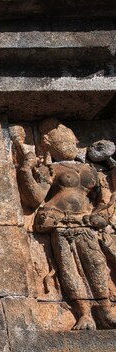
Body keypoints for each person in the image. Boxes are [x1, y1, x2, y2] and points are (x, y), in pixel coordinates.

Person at [16, 118, 116, 330]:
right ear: (48, 144)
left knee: (97, 265)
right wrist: (26, 169)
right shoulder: (51, 168)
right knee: (69, 270)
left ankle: (106, 310)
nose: (73, 143)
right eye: (65, 141)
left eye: (73, 140)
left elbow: (104, 200)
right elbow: (35, 198)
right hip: (61, 224)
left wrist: (101, 215)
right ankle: (84, 313)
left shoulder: (90, 169)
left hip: (86, 223)